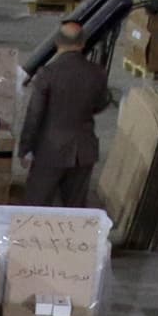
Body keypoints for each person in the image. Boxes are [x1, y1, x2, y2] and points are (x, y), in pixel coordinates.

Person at [17, 16, 113, 209]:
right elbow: (102, 102)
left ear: (57, 42)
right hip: (84, 151)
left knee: (35, 205)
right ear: (83, 43)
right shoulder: (97, 73)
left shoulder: (47, 74)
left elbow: (35, 114)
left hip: (50, 150)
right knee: (74, 210)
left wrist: (25, 148)